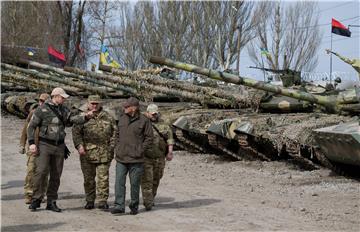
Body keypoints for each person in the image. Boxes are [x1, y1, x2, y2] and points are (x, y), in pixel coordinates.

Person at [27, 87, 95, 212]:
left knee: (56, 174)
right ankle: (36, 199)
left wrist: (85, 117)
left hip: (59, 146)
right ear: (55, 96)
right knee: (41, 172)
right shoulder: (42, 109)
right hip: (44, 145)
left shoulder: (64, 109)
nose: (64, 99)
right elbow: (31, 127)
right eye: (62, 97)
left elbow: (71, 120)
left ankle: (51, 201)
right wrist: (31, 143)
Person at [72, 95, 117, 210]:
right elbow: (76, 134)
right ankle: (90, 200)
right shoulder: (82, 117)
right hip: (87, 153)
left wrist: (111, 147)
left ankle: (102, 200)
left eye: (96, 103)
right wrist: (79, 146)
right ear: (88, 104)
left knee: (103, 178)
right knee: (88, 179)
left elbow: (115, 133)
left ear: (100, 104)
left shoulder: (108, 117)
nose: (94, 105)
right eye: (92, 103)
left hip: (104, 153)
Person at [111, 97, 153, 215]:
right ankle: (119, 206)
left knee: (134, 184)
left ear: (134, 108)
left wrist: (140, 150)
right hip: (121, 157)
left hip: (136, 158)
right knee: (119, 182)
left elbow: (149, 138)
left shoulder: (144, 120)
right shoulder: (122, 118)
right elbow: (117, 134)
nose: (124, 108)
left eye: (127, 106)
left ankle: (134, 206)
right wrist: (117, 147)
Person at [141, 104, 174, 211]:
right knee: (147, 179)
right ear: (147, 113)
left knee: (156, 178)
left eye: (156, 113)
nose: (154, 115)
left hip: (160, 157)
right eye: (152, 114)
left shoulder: (163, 124)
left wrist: (170, 152)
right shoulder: (142, 124)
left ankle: (152, 197)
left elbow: (169, 139)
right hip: (146, 157)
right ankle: (148, 201)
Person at [19, 93, 50, 204]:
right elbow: (25, 130)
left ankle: (41, 194)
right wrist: (22, 144)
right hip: (33, 148)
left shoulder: (51, 114)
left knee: (44, 172)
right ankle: (29, 194)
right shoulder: (33, 113)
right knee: (31, 171)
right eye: (40, 101)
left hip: (46, 148)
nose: (40, 103)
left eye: (43, 101)